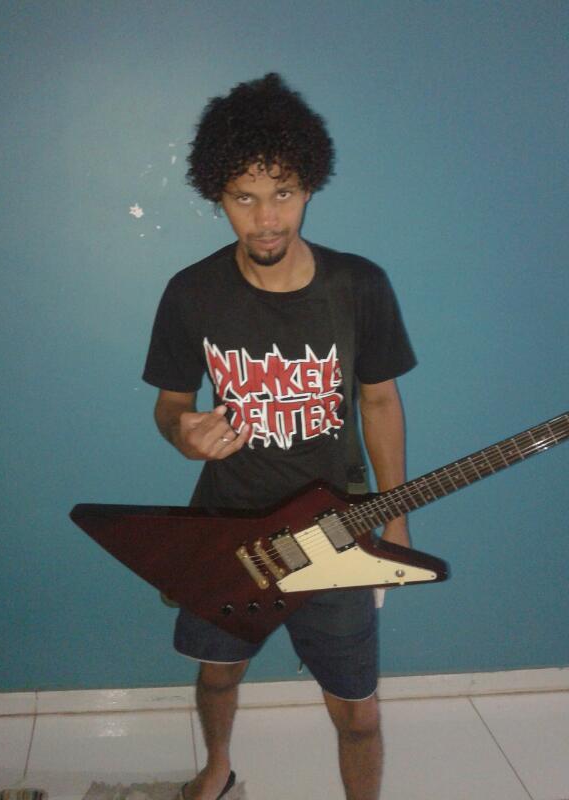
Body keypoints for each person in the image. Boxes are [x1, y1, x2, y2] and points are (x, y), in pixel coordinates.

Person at [143, 73, 416, 800]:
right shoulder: (190, 292)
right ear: (218, 195)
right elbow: (171, 406)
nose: (266, 219)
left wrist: (396, 514)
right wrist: (183, 434)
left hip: (339, 529)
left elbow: (380, 402)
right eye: (244, 197)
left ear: (310, 187)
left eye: (284, 192)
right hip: (226, 528)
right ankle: (217, 769)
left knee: (358, 712)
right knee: (216, 676)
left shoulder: (359, 286)